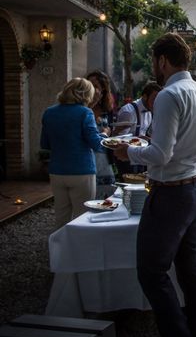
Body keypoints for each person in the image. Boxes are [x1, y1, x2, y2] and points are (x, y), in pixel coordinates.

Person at [113, 33, 196, 337]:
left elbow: (159, 154)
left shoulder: (170, 94)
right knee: (191, 272)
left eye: (155, 63)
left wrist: (127, 150)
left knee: (151, 272)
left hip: (171, 195)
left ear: (162, 61)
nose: (154, 69)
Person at [41, 78, 109, 229]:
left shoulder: (49, 112)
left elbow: (44, 144)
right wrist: (104, 134)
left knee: (61, 217)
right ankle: (79, 251)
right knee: (82, 217)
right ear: (85, 95)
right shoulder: (85, 113)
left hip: (57, 171)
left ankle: (59, 250)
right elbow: (96, 144)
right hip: (81, 171)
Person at [114, 81, 162, 176]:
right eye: (154, 99)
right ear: (144, 96)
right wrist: (139, 139)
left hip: (140, 156)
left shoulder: (149, 111)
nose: (156, 103)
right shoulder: (128, 112)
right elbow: (119, 140)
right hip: (127, 158)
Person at [86, 70, 116, 199]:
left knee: (106, 197)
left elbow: (111, 133)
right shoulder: (83, 109)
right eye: (89, 85)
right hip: (87, 157)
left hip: (103, 158)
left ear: (103, 90)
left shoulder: (106, 110)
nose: (92, 90)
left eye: (96, 86)